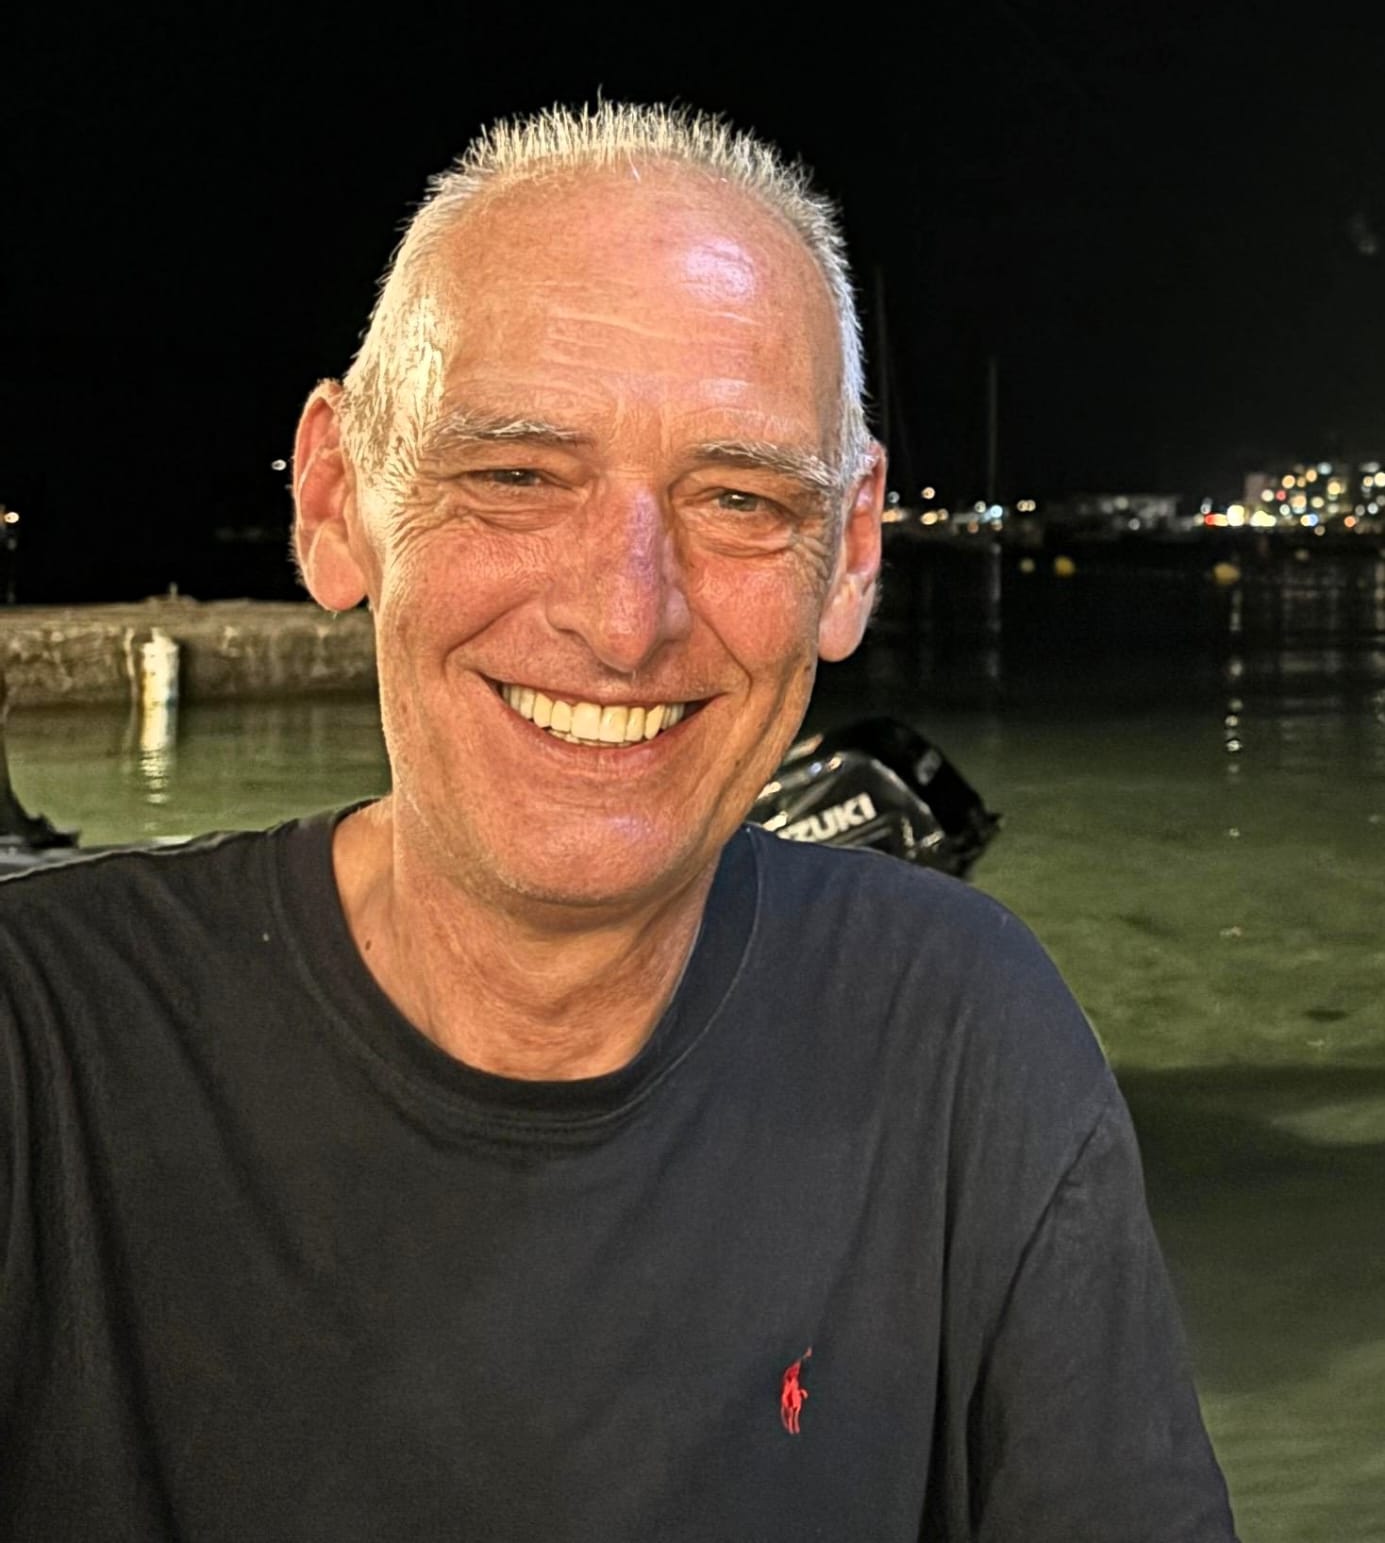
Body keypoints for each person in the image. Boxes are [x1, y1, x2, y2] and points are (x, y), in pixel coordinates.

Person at [0, 102, 1238, 1540]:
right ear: (337, 499)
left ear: (850, 555)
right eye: (515, 478)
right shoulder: (41, 1051)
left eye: (738, 499)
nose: (625, 616)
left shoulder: (963, 1035)